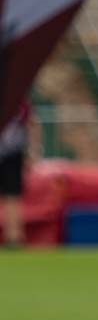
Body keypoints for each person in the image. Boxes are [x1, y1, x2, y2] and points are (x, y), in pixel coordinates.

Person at [0, 100, 38, 249]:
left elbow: (32, 124)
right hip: (10, 154)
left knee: (13, 197)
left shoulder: (19, 103)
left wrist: (32, 151)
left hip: (12, 155)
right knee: (12, 197)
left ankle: (14, 237)